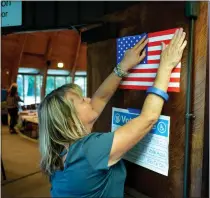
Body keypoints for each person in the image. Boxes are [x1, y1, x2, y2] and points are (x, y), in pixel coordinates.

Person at [38, 28, 187, 197]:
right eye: (81, 100)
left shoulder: (60, 150)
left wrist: (123, 66)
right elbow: (148, 118)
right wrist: (166, 66)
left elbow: (99, 99)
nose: (88, 99)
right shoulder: (91, 150)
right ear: (71, 120)